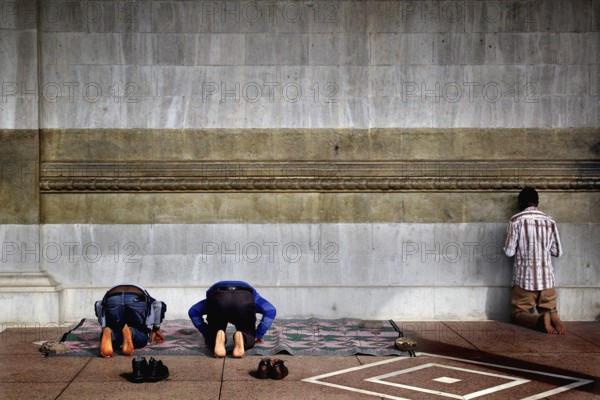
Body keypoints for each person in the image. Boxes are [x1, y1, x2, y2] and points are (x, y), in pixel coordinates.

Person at [503, 187, 566, 334]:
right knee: (550, 307)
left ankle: (539, 320)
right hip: (547, 279)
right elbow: (558, 252)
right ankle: (554, 318)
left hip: (525, 279)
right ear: (537, 202)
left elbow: (509, 251)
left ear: (520, 203)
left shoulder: (516, 220)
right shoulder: (550, 221)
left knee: (517, 313)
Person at [188, 280, 276, 358]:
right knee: (248, 334)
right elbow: (270, 310)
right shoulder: (255, 297)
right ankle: (243, 336)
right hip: (244, 299)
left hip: (218, 297)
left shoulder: (210, 299)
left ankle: (216, 336)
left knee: (214, 331)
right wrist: (258, 334)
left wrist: (207, 333)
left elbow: (193, 312)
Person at [94, 284, 167, 357]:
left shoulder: (117, 287)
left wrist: (104, 326)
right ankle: (131, 332)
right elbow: (158, 305)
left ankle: (110, 332)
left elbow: (98, 305)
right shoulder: (141, 291)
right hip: (136, 298)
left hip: (112, 298)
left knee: (115, 329)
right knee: (143, 336)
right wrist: (156, 328)